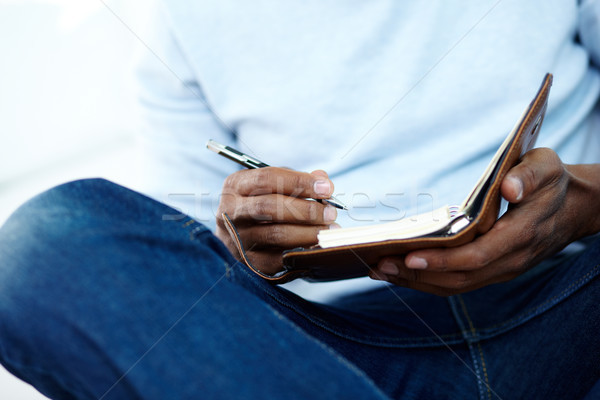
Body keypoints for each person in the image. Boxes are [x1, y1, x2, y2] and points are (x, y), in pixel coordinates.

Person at [1, 1, 599, 399]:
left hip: (574, 292)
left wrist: (584, 201)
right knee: (42, 250)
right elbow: (182, 290)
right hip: (328, 354)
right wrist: (246, 249)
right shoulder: (183, 21)